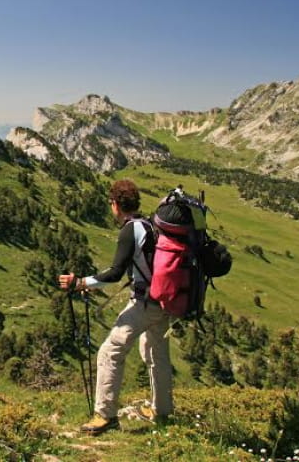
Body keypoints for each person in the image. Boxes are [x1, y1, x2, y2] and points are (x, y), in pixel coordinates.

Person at [59, 179, 173, 435]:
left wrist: (80, 282)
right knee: (156, 356)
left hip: (146, 303)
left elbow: (114, 273)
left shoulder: (130, 229)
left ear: (115, 204)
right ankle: (162, 412)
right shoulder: (150, 225)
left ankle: (105, 415)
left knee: (109, 351)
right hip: (165, 300)